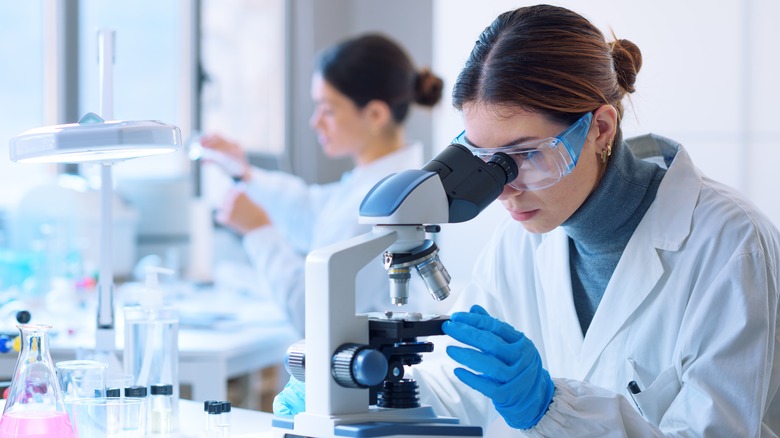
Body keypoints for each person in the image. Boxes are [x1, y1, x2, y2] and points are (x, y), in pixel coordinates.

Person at [274, 5, 780, 436]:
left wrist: (550, 408)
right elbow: (466, 386)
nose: (504, 188)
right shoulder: (521, 241)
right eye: (484, 161)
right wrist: (362, 388)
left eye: (526, 154)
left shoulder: (730, 244)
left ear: (600, 128)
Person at [200, 33, 443, 336]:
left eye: (328, 109)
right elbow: (310, 209)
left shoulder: (388, 204)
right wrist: (243, 174)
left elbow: (315, 317)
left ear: (376, 114)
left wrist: (258, 233)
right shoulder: (375, 183)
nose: (315, 122)